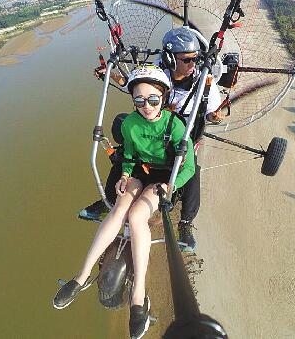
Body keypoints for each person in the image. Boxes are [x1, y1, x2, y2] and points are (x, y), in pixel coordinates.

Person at [54, 65, 195, 339]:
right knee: (120, 208)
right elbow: (129, 154)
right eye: (139, 100)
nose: (146, 106)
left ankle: (138, 295)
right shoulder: (130, 123)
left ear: (163, 98)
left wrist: (171, 185)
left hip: (165, 177)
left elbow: (189, 167)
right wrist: (126, 174)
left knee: (136, 217)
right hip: (140, 172)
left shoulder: (174, 126)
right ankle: (81, 277)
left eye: (153, 99)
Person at [80, 27, 223, 251]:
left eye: (195, 59)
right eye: (187, 59)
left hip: (182, 132)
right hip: (154, 127)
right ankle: (109, 201)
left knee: (192, 171)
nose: (192, 63)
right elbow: (131, 83)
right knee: (123, 153)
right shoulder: (155, 74)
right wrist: (107, 74)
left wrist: (213, 116)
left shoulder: (204, 81)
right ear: (170, 59)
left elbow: (211, 111)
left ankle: (185, 224)